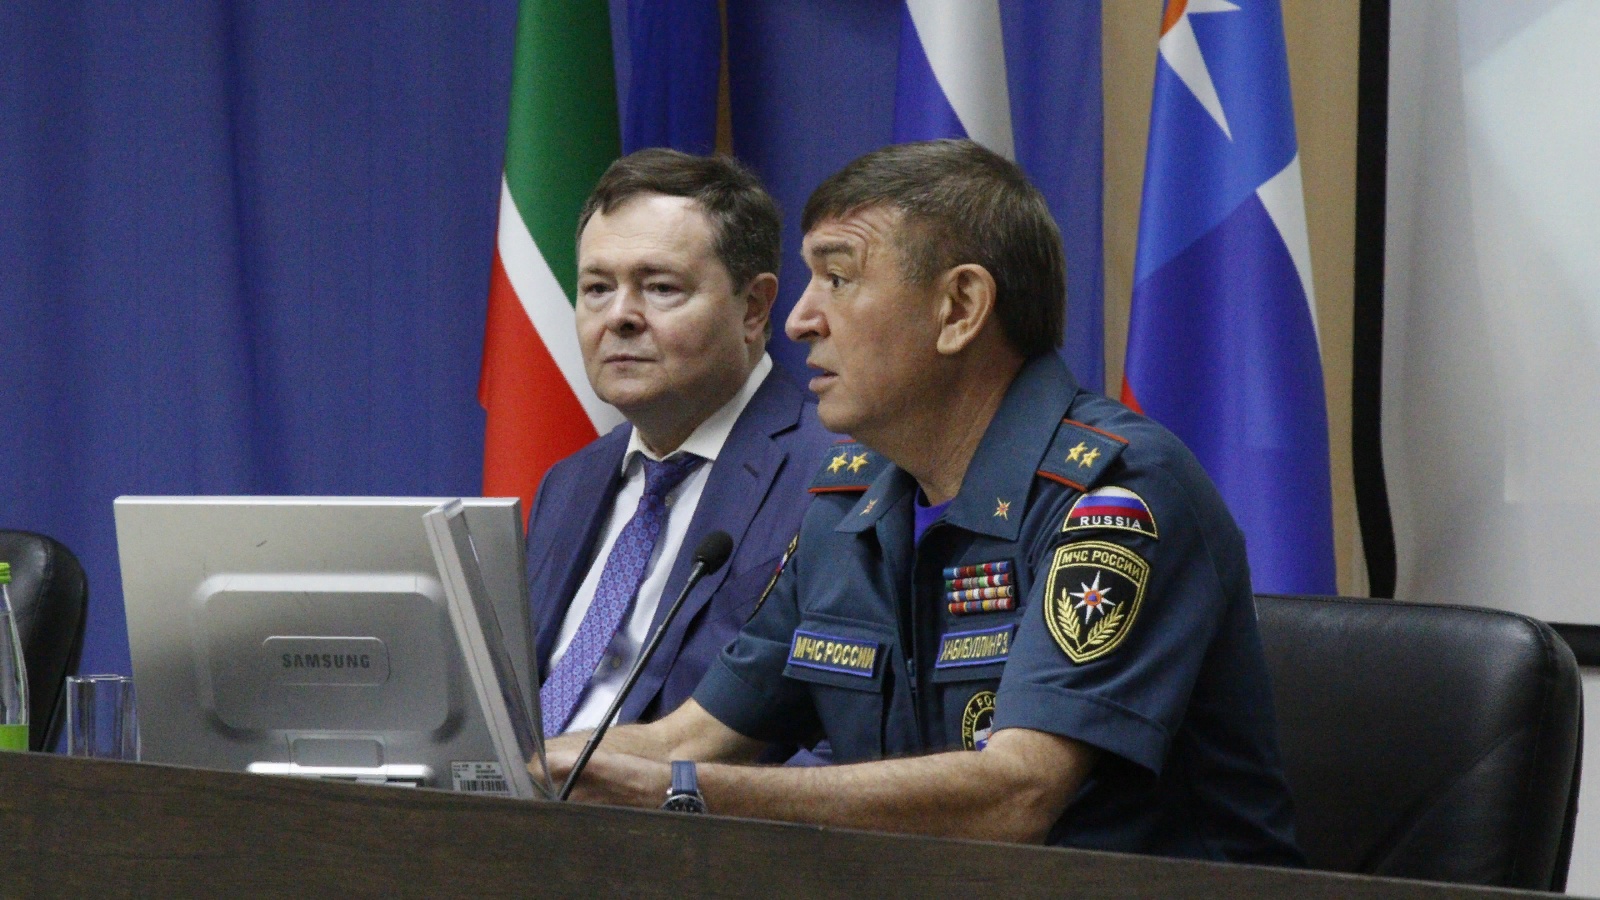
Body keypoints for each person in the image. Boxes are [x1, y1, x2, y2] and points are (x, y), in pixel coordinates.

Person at [541, 140, 1302, 865]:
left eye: (838, 279)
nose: (799, 321)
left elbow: (1017, 794)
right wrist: (507, 767)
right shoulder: (848, 506)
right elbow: (689, 739)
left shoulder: (1120, 492)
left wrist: (685, 794)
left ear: (959, 308)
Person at [525, 149, 834, 737]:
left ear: (753, 308)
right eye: (597, 288)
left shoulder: (832, 474)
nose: (619, 316)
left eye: (660, 287)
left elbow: (843, 738)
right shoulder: (568, 483)